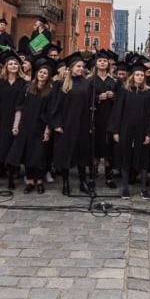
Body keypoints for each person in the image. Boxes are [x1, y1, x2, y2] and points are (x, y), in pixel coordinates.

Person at [8, 58, 54, 194]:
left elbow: (49, 112)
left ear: (48, 76)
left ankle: (39, 181)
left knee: (39, 155)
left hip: (40, 128)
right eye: (41, 72)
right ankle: (29, 181)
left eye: (45, 73)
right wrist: (16, 125)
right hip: (25, 127)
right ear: (36, 73)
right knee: (28, 155)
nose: (42, 75)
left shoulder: (50, 91)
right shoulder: (27, 88)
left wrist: (47, 131)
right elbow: (19, 107)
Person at [109, 63, 150, 199]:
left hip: (142, 130)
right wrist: (116, 131)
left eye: (141, 75)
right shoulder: (124, 91)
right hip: (125, 129)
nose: (140, 77)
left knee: (143, 158)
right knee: (125, 157)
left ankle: (143, 188)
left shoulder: (148, 93)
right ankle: (125, 188)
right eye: (137, 75)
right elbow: (118, 111)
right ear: (132, 76)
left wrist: (149, 133)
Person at [50, 52, 92, 195]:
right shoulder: (61, 84)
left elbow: (91, 105)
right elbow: (54, 106)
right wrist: (57, 124)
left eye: (82, 66)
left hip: (82, 125)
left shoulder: (87, 84)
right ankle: (66, 183)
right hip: (66, 125)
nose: (81, 68)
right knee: (65, 154)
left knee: (81, 154)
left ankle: (82, 182)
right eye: (78, 66)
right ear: (71, 67)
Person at [0, 51, 27, 190]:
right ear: (6, 66)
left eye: (15, 64)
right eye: (10, 64)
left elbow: (25, 104)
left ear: (19, 66)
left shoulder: (24, 83)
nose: (13, 65)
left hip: (17, 121)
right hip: (2, 120)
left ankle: (11, 178)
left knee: (13, 151)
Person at [91, 50, 119, 189]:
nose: (102, 62)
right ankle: (93, 173)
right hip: (95, 118)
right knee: (94, 146)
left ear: (108, 63)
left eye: (104, 61)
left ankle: (109, 176)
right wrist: (97, 98)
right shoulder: (90, 80)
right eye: (100, 61)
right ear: (96, 64)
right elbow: (84, 99)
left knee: (109, 148)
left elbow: (119, 100)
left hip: (109, 118)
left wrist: (113, 95)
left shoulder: (113, 81)